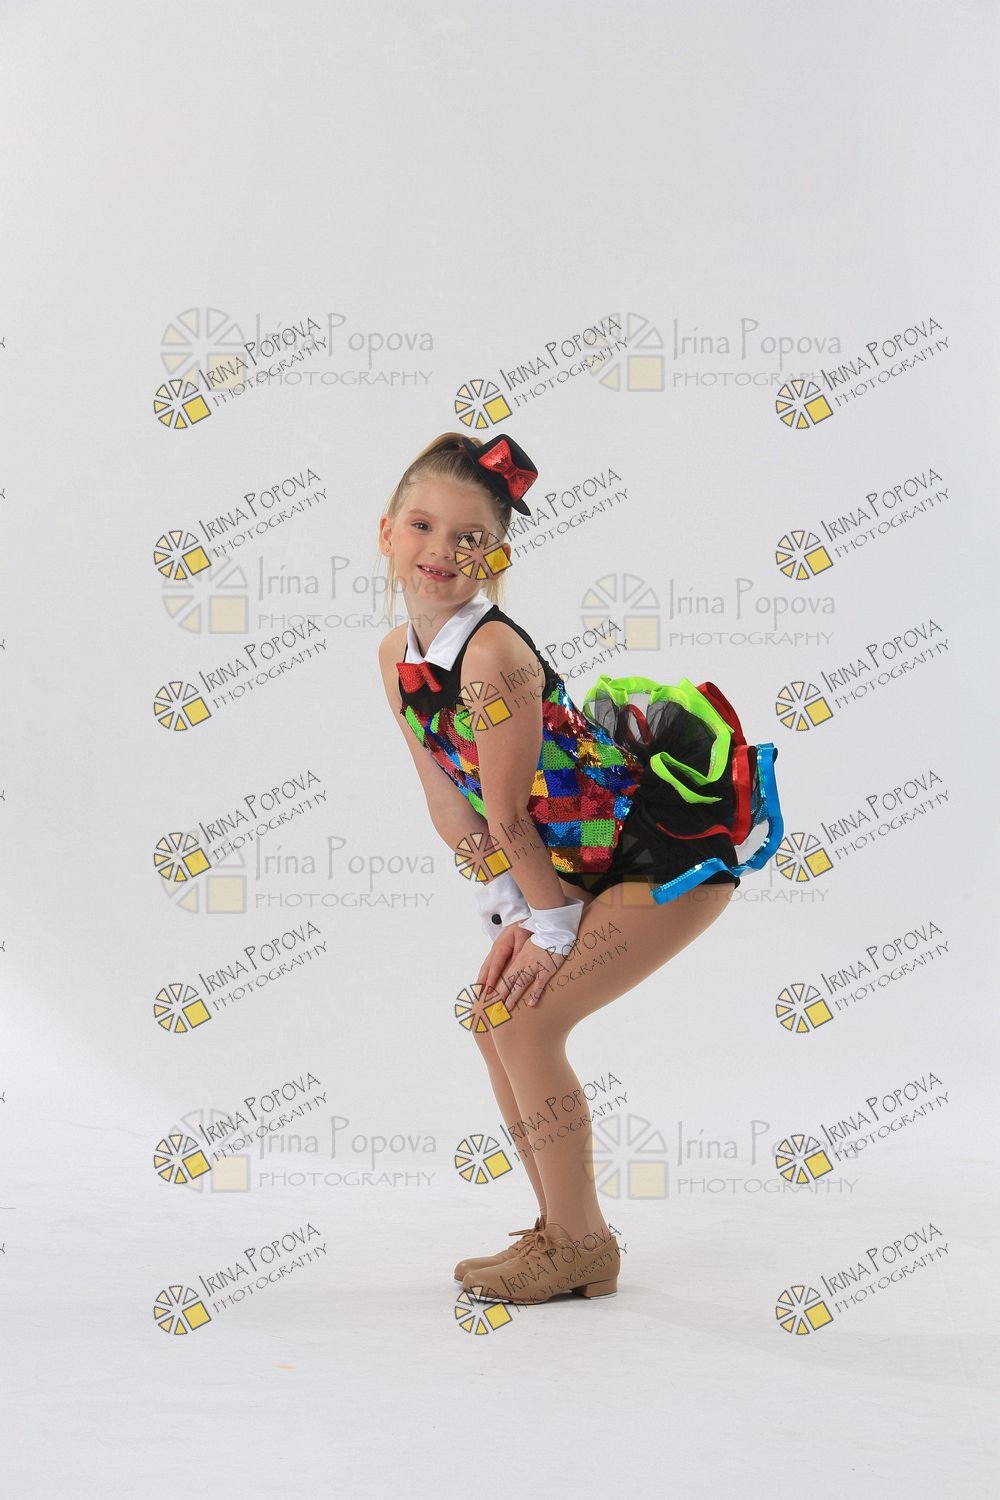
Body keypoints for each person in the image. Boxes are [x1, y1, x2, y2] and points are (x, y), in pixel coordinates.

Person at [375, 431, 783, 1306]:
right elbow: (451, 803)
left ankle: (581, 1244)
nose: (441, 550)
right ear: (386, 533)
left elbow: (511, 814)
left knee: (524, 1024)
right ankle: (559, 1233)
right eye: (422, 525)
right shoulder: (394, 661)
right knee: (494, 1016)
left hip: (656, 855)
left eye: (469, 538)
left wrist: (550, 927)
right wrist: (512, 911)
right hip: (570, 866)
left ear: (496, 556)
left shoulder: (491, 655)